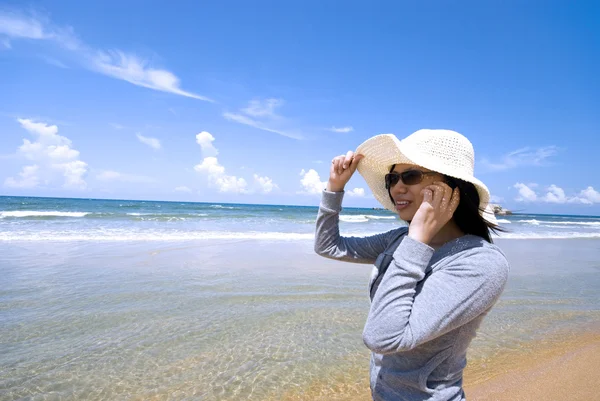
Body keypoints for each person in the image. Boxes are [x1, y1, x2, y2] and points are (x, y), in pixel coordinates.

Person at [314, 129, 509, 401]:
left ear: (453, 186)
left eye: (411, 176)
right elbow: (329, 246)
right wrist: (334, 189)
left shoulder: (480, 262)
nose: (396, 187)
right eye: (392, 178)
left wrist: (418, 240)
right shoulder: (400, 240)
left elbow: (383, 337)